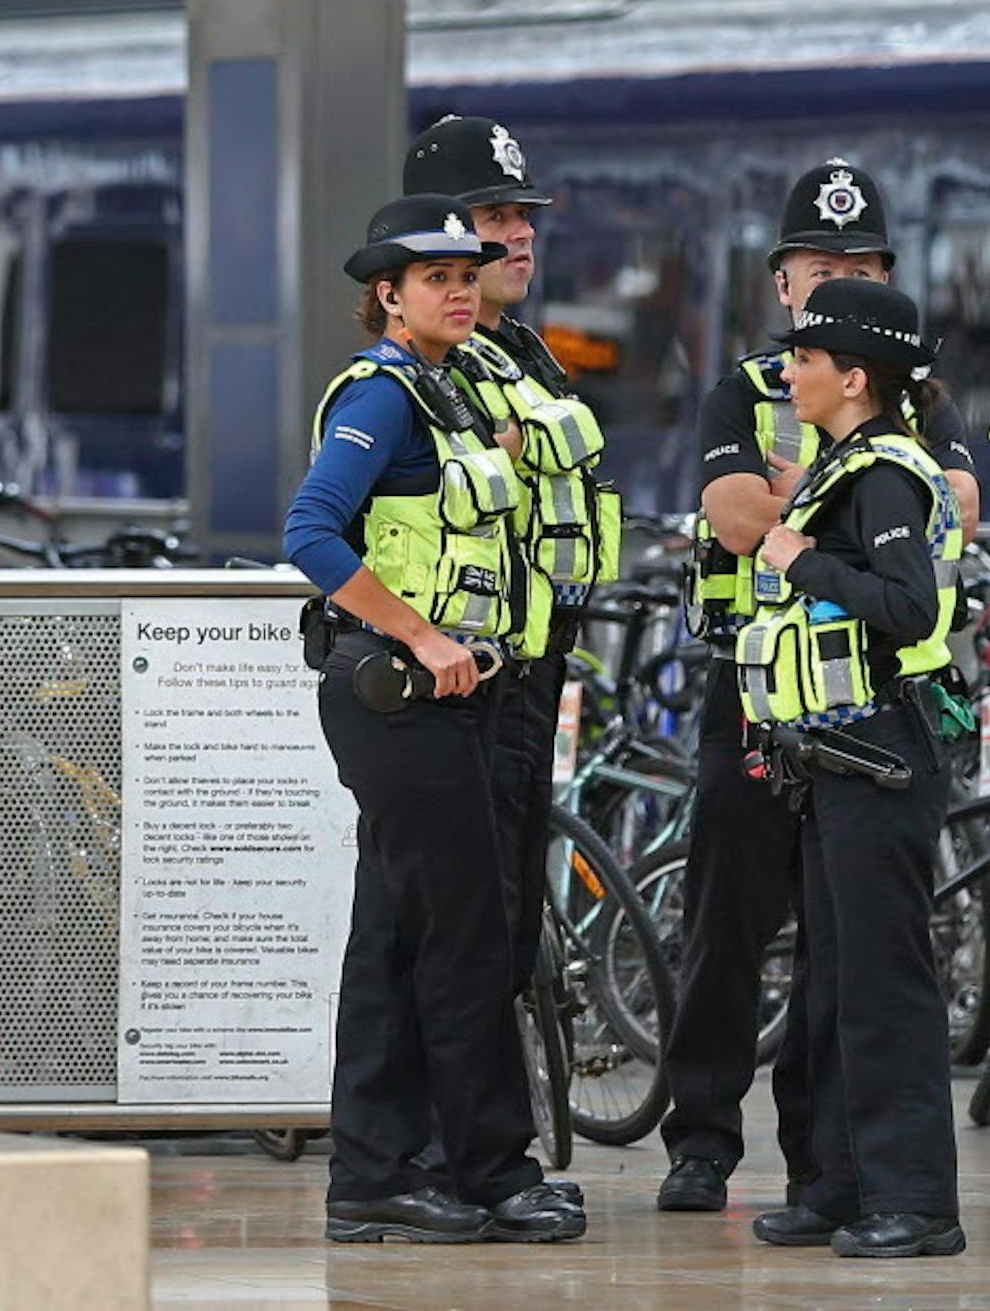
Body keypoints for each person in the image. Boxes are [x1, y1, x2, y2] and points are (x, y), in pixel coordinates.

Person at [655, 159, 978, 1214]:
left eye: (860, 264)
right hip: (752, 687)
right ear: (781, 279)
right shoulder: (750, 388)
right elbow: (736, 514)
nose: (836, 275)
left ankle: (823, 1163)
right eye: (820, 264)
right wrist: (807, 510)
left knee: (846, 943)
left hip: (858, 703)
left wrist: (807, 509)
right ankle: (701, 1137)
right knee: (727, 918)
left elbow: (961, 501)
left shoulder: (899, 400)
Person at [282, 194, 584, 1245]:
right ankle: (494, 1171)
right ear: (388, 296)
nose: (459, 289)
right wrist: (422, 633)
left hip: (437, 702)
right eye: (435, 277)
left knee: (402, 935)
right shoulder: (384, 396)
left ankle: (375, 1170)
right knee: (465, 934)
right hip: (398, 697)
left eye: (469, 273)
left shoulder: (448, 390)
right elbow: (312, 531)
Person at [735, 276, 966, 1257]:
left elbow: (908, 605)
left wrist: (797, 558)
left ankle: (915, 1200)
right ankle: (837, 1183)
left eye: (806, 358)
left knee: (885, 981)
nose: (789, 371)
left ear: (854, 375)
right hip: (834, 751)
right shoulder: (842, 463)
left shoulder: (881, 476)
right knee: (830, 979)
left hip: (881, 746)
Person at [403, 115, 619, 1009]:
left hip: (533, 663)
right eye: (496, 216)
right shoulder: (436, 362)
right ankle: (458, 1143)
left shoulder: (525, 349)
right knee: (472, 916)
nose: (522, 231)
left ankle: (491, 1136)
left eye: (523, 213)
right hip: (474, 672)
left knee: (511, 912)